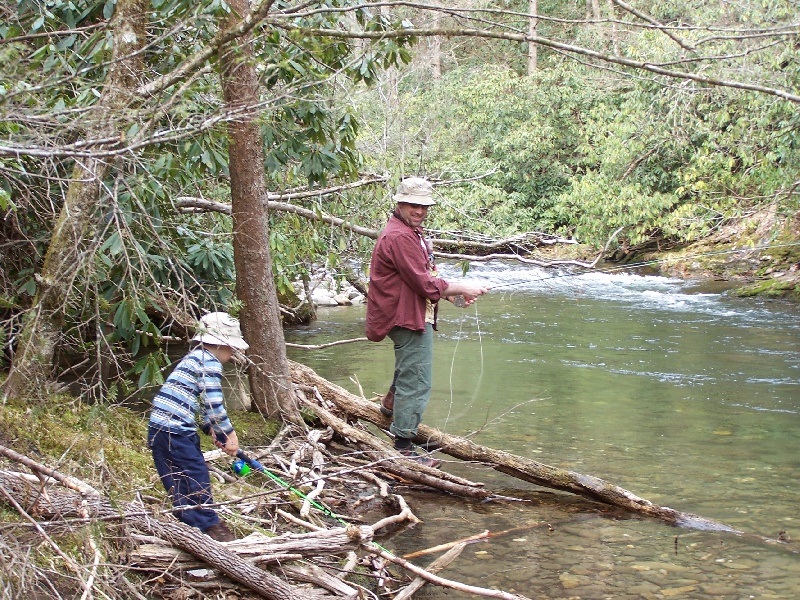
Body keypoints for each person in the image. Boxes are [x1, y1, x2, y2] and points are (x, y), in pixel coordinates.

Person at [366, 177, 490, 468]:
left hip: (407, 311)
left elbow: (423, 279)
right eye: (413, 204)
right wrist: (461, 287)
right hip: (404, 316)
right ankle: (403, 446)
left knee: (411, 367)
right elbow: (423, 282)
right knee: (418, 379)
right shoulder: (400, 237)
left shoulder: (412, 232)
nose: (419, 210)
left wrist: (451, 297)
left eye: (423, 206)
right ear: (400, 203)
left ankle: (389, 406)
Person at [147, 311, 248, 542]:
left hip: (161, 430)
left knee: (179, 480)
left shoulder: (193, 359)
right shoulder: (209, 363)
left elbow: (198, 403)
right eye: (231, 347)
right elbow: (213, 403)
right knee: (195, 476)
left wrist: (209, 429)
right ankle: (210, 529)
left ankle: (188, 527)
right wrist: (228, 434)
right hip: (175, 430)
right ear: (221, 344)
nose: (233, 353)